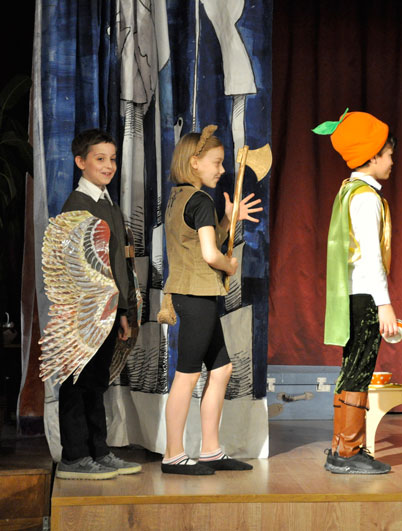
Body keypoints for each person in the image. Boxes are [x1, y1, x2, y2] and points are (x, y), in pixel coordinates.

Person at [160, 125, 261, 475]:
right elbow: (209, 254)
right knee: (187, 376)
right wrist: (229, 265)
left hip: (190, 294)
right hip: (197, 296)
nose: (222, 170)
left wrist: (228, 220)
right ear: (195, 162)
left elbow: (196, 242)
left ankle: (211, 450)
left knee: (221, 369)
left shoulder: (180, 197)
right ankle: (173, 454)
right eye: (216, 163)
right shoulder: (201, 200)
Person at [313, 110, 398, 474]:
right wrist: (385, 304)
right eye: (389, 154)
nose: (392, 161)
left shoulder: (349, 190)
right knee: (359, 370)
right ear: (372, 156)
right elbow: (371, 257)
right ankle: (348, 451)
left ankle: (341, 448)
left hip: (353, 294)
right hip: (364, 295)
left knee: (352, 369)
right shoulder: (366, 198)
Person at [56, 129, 142, 480]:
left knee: (95, 383)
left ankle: (98, 451)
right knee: (77, 382)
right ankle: (74, 457)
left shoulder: (108, 204)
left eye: (112, 159)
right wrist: (91, 312)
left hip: (107, 311)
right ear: (81, 162)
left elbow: (116, 264)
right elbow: (74, 266)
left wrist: (120, 311)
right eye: (100, 159)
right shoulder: (78, 206)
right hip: (84, 314)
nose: (109, 166)